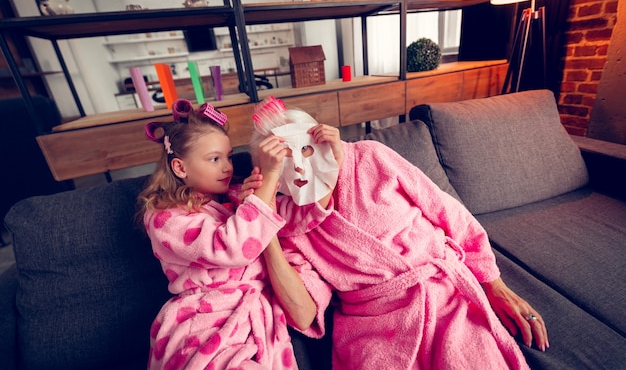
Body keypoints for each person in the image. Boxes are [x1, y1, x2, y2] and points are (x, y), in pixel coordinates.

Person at [244, 96, 549, 370]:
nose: (299, 168)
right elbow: (303, 314)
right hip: (375, 327)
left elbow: (447, 210)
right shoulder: (290, 228)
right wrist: (264, 225)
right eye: (281, 164)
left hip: (445, 296)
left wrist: (494, 285)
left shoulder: (370, 158)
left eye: (306, 150)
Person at [137, 99, 326, 370]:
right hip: (203, 319)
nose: (227, 167)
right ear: (180, 168)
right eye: (214, 159)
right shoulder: (165, 217)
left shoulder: (236, 196)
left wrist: (327, 167)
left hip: (255, 316)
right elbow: (232, 247)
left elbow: (292, 219)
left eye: (227, 156)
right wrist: (267, 183)